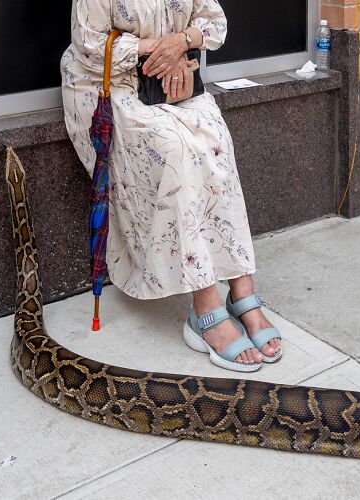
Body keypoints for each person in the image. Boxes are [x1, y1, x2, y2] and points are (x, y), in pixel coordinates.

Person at [60, 0, 281, 372]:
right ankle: (206, 308)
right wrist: (156, 50)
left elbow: (214, 22)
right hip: (110, 84)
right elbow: (88, 44)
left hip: (175, 81)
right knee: (175, 152)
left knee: (216, 143)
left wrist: (180, 42)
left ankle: (242, 291)